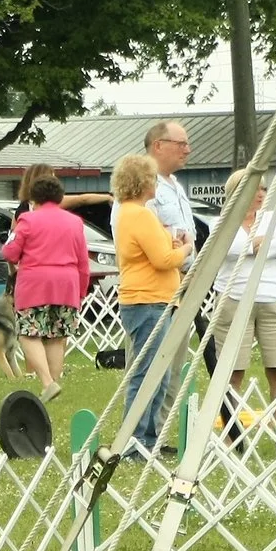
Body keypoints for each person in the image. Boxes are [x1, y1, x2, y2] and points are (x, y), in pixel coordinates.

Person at [207, 169, 276, 425]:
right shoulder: (220, 222)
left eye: (263, 189)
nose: (261, 194)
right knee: (232, 373)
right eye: (255, 189)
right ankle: (232, 434)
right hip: (233, 300)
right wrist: (256, 245)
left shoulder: (273, 218)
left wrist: (258, 246)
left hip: (274, 298)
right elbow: (226, 248)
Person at [110, 153, 183, 453]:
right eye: (152, 179)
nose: (156, 184)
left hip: (153, 300)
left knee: (159, 373)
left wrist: (170, 244)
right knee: (146, 372)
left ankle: (149, 438)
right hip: (147, 301)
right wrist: (186, 249)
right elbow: (164, 259)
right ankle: (134, 440)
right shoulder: (138, 215)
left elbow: (158, 247)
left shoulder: (130, 213)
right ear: (141, 182)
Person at [2, 167, 92, 399]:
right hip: (67, 285)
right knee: (56, 336)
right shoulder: (75, 222)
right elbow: (83, 261)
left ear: (34, 197)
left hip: (35, 285)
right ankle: (53, 383)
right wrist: (81, 291)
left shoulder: (27, 220)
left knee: (28, 333)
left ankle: (46, 381)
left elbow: (11, 253)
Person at [145, 120, 198, 267]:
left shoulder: (177, 186)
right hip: (160, 281)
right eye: (181, 144)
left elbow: (189, 236)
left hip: (186, 280)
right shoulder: (140, 187)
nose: (188, 150)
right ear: (158, 146)